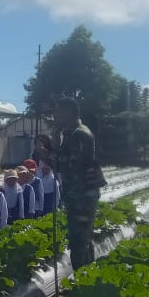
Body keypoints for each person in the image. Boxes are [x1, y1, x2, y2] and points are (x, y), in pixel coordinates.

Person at [44, 98, 106, 269]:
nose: (55, 116)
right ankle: (87, 278)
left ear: (68, 113)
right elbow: (64, 157)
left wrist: (47, 156)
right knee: (84, 239)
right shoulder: (70, 134)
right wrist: (55, 141)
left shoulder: (80, 134)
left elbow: (71, 166)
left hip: (82, 197)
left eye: (58, 112)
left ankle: (82, 283)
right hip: (77, 195)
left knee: (79, 242)